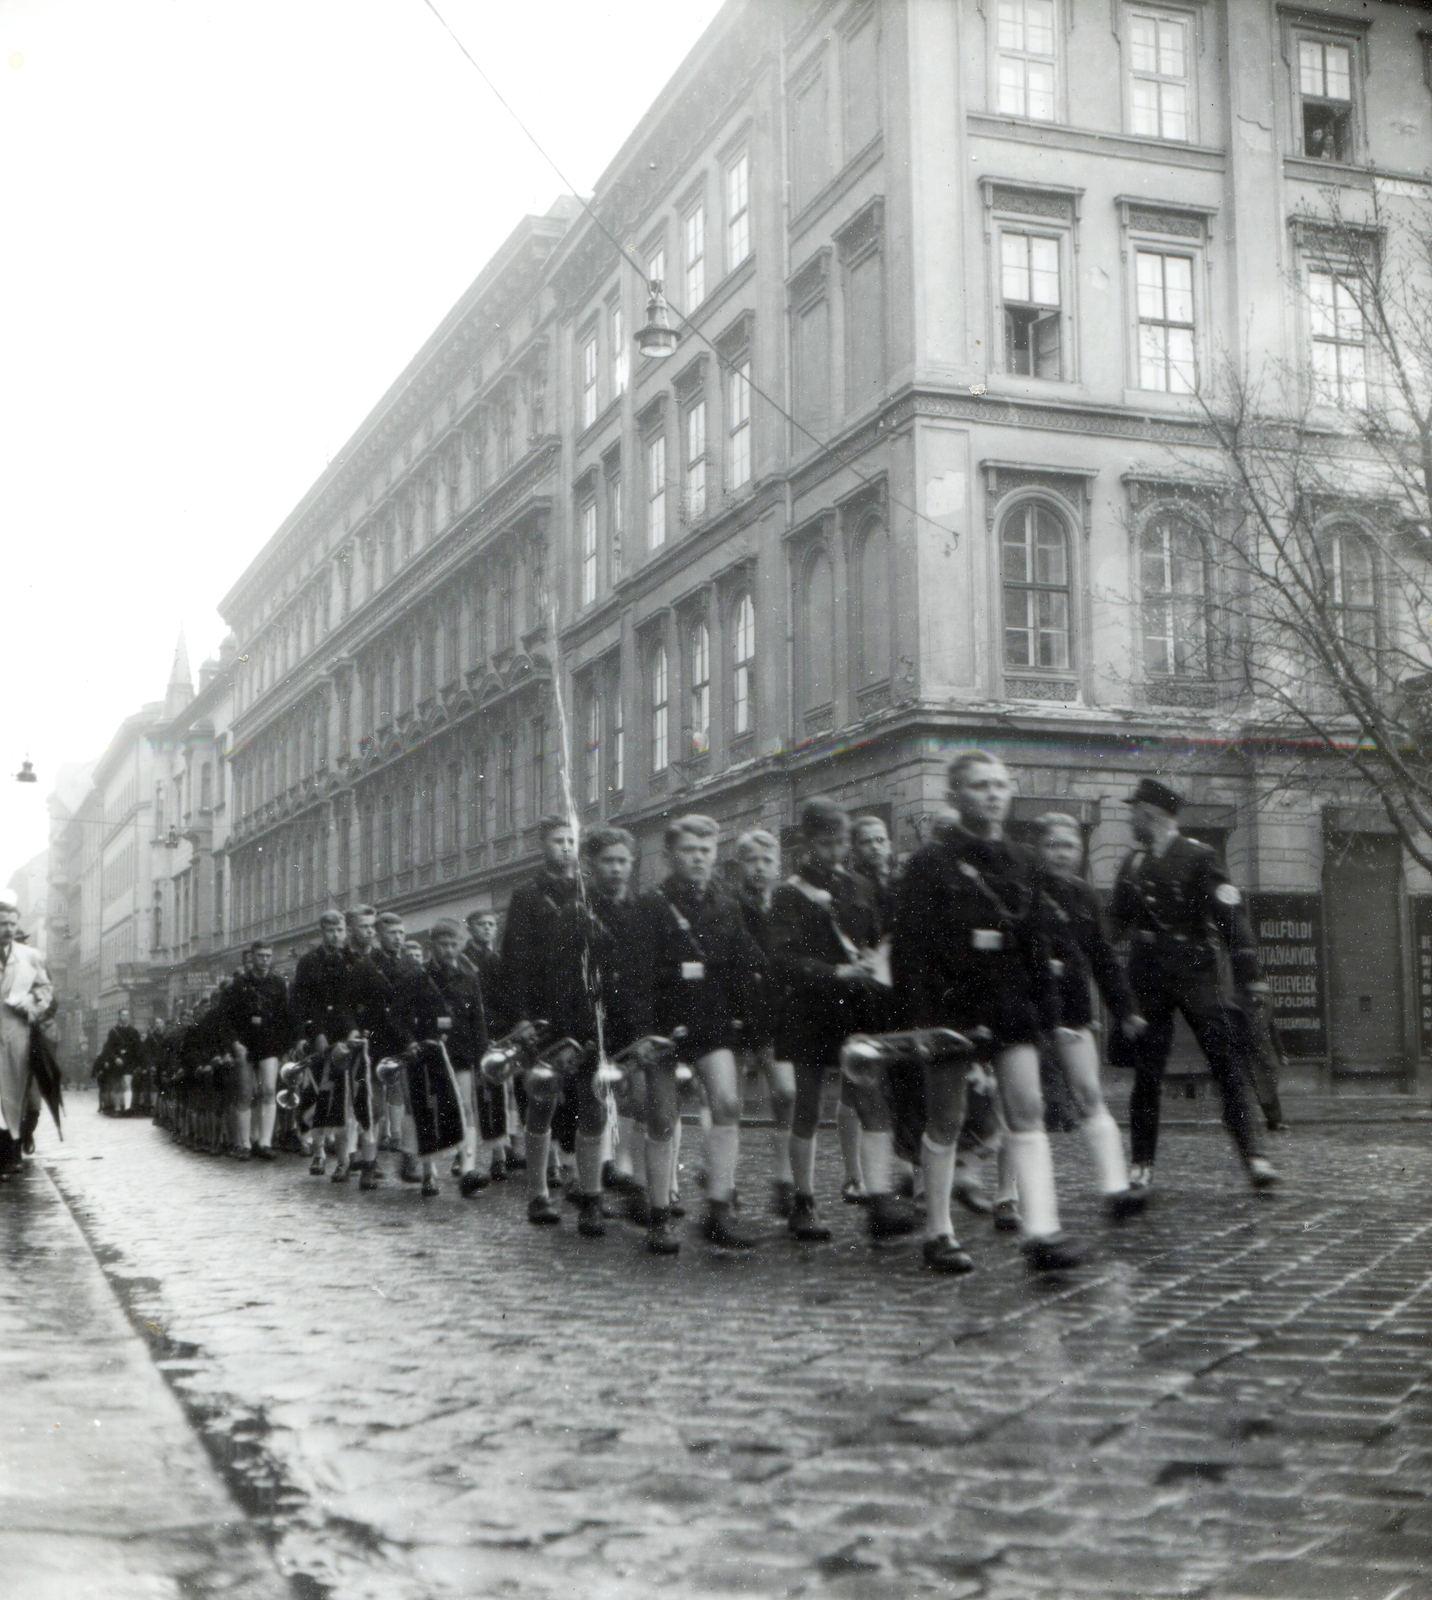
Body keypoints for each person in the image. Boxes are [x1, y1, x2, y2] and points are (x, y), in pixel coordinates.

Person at [893, 751, 1079, 1274]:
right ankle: (938, 1231)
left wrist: (1048, 1015)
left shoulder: (1023, 862)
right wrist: (923, 1021)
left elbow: (1037, 943)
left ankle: (1042, 1229)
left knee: (1026, 1109)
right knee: (947, 1118)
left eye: (1000, 784)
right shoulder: (929, 864)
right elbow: (909, 951)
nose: (993, 794)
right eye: (979, 786)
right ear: (955, 795)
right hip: (950, 1007)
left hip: (1010, 1005)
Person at [1107, 778, 1279, 1193]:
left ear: (1151, 815)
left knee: (1227, 1063)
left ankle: (1254, 1156)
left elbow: (1230, 919)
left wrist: (1249, 975)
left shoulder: (1201, 857)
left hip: (1196, 975)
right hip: (1148, 977)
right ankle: (1141, 1165)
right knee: (1147, 1073)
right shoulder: (1132, 865)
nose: (1130, 819)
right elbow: (1114, 922)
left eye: (1134, 812)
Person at [769, 799, 919, 1244]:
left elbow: (876, 939)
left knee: (872, 1102)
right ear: (807, 843)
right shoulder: (788, 893)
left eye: (840, 842)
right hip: (811, 1011)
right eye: (825, 843)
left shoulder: (859, 886)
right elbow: (782, 956)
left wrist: (879, 960)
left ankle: (878, 1199)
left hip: (858, 1010)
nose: (835, 851)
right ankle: (804, 1202)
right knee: (808, 1108)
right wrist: (833, 971)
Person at [639, 814, 763, 1252]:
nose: (698, 858)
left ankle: (719, 1210)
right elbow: (636, 975)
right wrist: (644, 1034)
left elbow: (744, 967)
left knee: (728, 1104)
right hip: (664, 1028)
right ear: (671, 855)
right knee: (661, 1116)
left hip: (712, 1023)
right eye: (690, 850)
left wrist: (750, 1024)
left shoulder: (727, 905)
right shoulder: (651, 905)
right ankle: (659, 1215)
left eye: (706, 850)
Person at [533, 826, 652, 1237]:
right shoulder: (576, 913)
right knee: (593, 1111)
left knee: (638, 1104)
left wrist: (644, 1027)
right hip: (589, 1026)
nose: (617, 869)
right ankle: (591, 1198)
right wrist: (575, 1033)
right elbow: (563, 979)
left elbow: (644, 974)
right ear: (590, 865)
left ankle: (636, 1183)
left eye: (623, 861)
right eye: (608, 861)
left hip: (630, 1025)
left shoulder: (639, 910)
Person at [1033, 813, 1148, 1220]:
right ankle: (1007, 1196)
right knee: (1023, 1107)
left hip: (1074, 1013)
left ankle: (1116, 1188)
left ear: (1080, 852)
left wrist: (1126, 1010)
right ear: (1039, 848)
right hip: (1030, 1015)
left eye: (1069, 846)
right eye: (1053, 845)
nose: (1061, 854)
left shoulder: (1084, 896)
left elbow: (1102, 959)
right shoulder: (1024, 891)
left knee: (1089, 1095)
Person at [502, 818, 584, 1190]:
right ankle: (544, 1173)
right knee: (543, 1091)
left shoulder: (586, 889)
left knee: (581, 1089)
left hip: (579, 1008)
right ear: (543, 846)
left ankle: (570, 1164)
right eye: (557, 841)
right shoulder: (526, 895)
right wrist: (520, 1017)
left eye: (571, 840)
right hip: (541, 1009)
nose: (566, 847)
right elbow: (514, 961)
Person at [732, 829, 798, 1216]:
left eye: (767, 860)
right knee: (730, 1102)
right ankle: (725, 1180)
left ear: (778, 864)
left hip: (776, 1011)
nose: (760, 867)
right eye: (753, 860)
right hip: (739, 1010)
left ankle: (784, 1178)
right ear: (741, 864)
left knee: (786, 1094)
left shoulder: (787, 903)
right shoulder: (730, 903)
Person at [221, 941, 291, 1161]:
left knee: (269, 1091)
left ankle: (265, 1142)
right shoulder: (238, 984)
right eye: (260, 956)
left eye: (268, 956)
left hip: (269, 1042)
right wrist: (234, 1043)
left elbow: (284, 1016)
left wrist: (284, 1046)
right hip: (245, 1042)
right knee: (245, 1093)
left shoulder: (278, 983)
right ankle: (243, 1144)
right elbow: (225, 1018)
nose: (264, 960)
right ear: (251, 957)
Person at [461, 909, 515, 1177]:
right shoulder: (462, 960)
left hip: (497, 1035)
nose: (487, 929)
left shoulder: (499, 961)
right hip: (469, 1035)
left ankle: (499, 1154)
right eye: (481, 924)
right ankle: (463, 1155)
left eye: (492, 925)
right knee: (468, 1098)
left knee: (498, 1094)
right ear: (470, 928)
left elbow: (507, 1000)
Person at [0, 896, 52, 1176]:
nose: (7, 929)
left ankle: (12, 1153)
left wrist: (31, 1003)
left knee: (14, 1096)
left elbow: (45, 990)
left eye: (11, 923)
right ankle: (6, 1155)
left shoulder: (29, 957)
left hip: (17, 1034)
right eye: (2, 924)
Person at [96, 1006, 143, 1115]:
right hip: (116, 1062)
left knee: (127, 1083)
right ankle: (117, 1108)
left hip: (129, 1062)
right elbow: (109, 1048)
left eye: (127, 1015)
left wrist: (136, 1062)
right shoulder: (113, 1031)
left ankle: (127, 1108)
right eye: (123, 1015)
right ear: (119, 1016)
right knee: (117, 1086)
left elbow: (138, 1048)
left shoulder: (134, 1031)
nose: (125, 1017)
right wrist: (115, 1058)